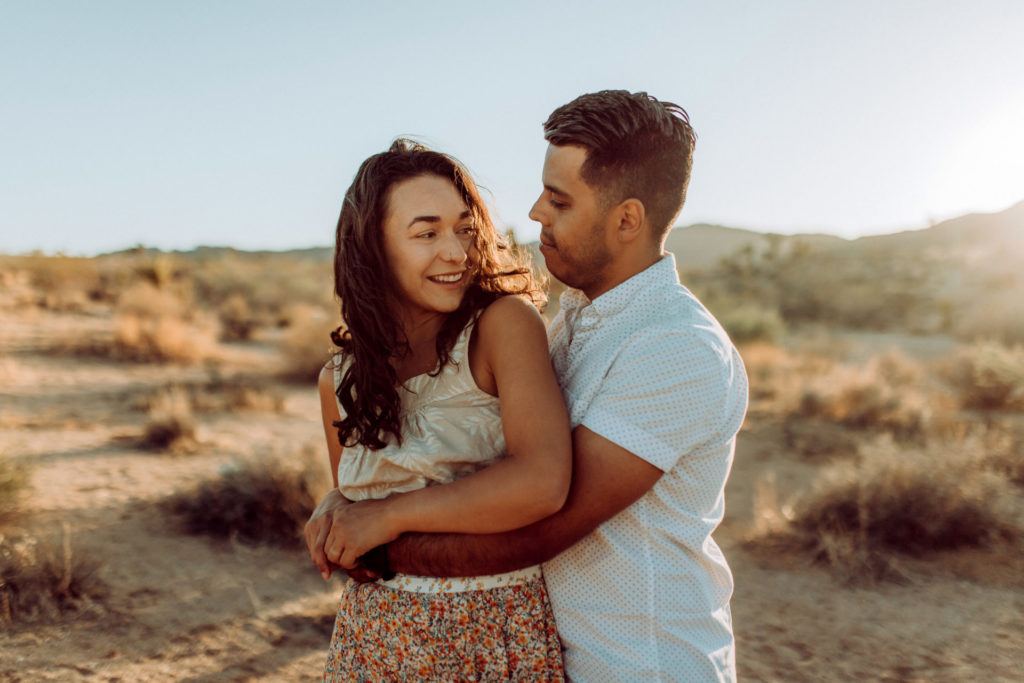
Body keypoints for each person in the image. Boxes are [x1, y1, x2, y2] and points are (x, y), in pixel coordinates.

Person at [310, 91, 750, 681]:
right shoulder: (572, 321)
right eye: (545, 190)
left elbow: (542, 524)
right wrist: (346, 505)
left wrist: (378, 539)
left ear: (627, 219)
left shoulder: (675, 348)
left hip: (638, 664)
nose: (536, 211)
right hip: (547, 654)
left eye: (560, 200)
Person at [306, 139, 572, 680]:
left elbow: (543, 481)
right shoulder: (338, 379)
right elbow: (367, 499)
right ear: (373, 248)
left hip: (490, 638)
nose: (456, 252)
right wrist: (334, 506)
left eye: (465, 229)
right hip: (372, 642)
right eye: (427, 233)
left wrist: (387, 516)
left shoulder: (503, 327)